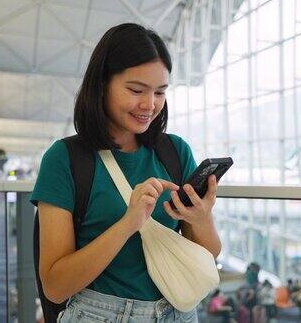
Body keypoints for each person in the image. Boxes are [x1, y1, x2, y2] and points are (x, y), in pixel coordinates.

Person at [31, 23, 222, 323]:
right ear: (102, 84)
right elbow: (55, 287)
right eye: (136, 90)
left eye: (160, 92)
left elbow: (207, 257)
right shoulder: (65, 159)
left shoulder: (174, 152)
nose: (149, 105)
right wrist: (128, 223)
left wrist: (201, 218)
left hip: (178, 313)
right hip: (100, 315)